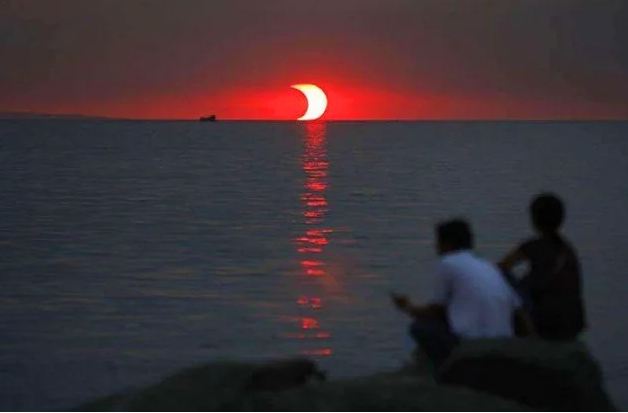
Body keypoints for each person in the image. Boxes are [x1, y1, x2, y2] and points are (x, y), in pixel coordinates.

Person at [392, 219, 532, 367]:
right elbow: (519, 310)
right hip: (503, 340)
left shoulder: (447, 263)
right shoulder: (487, 266)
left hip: (473, 344)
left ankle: (448, 366)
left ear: (447, 244)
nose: (435, 246)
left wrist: (408, 307)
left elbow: (436, 311)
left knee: (419, 327)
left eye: (438, 241)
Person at [499, 193, 586, 341]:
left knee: (504, 277)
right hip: (573, 319)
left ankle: (526, 328)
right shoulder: (568, 249)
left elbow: (502, 267)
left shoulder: (533, 246)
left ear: (534, 219)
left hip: (544, 316)